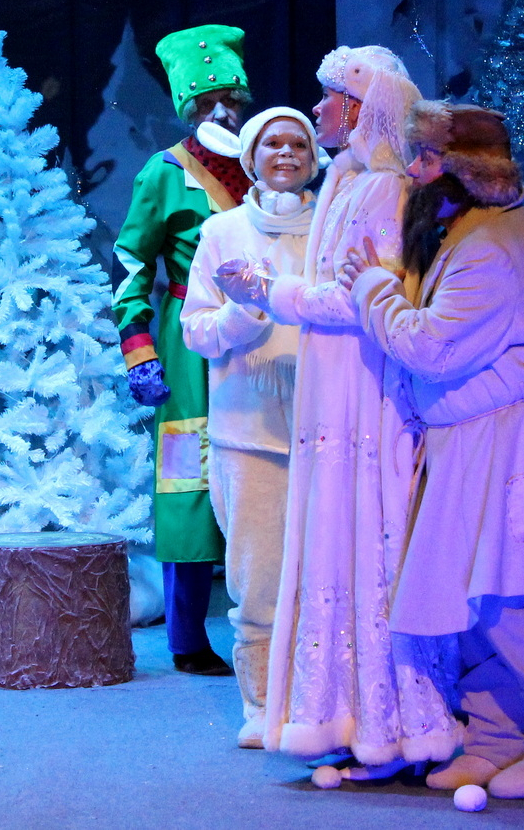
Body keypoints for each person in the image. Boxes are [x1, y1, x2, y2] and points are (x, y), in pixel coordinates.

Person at [338, 103, 524, 799]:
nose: (415, 171)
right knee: (469, 600)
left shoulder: (490, 245)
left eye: (428, 159)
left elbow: (431, 346)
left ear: (465, 170)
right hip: (474, 437)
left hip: (513, 442)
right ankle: (496, 737)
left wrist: (371, 287)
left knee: (509, 603)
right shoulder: (469, 230)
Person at [217, 45, 461, 773]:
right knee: (337, 542)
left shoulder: (382, 187)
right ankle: (344, 714)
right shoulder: (349, 181)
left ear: (359, 109)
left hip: (366, 393)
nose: (318, 109)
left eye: (329, 99)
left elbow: (360, 296)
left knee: (367, 542)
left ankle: (389, 724)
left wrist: (271, 291)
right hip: (334, 396)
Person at [114, 24, 254, 675]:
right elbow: (130, 267)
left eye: (231, 99)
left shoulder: (268, 163)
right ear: (187, 109)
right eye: (207, 103)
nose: (221, 113)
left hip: (260, 339)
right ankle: (187, 636)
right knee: (186, 479)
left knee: (261, 471)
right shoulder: (164, 173)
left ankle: (269, 620)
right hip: (185, 344)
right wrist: (140, 350)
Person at [181, 107, 321, 747]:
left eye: (298, 144)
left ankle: (319, 702)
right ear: (251, 157)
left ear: (314, 157)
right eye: (273, 144)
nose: (286, 153)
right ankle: (262, 705)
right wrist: (246, 314)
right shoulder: (222, 231)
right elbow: (196, 331)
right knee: (258, 577)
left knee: (326, 574)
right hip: (248, 434)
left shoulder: (333, 225)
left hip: (328, 431)